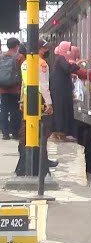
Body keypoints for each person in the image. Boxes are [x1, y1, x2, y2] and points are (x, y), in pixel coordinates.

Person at [15, 39, 56, 176]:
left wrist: (21, 100)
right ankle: (41, 164)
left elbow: (24, 84)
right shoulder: (42, 64)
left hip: (28, 102)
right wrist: (49, 103)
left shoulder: (25, 64)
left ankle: (25, 164)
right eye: (44, 48)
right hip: (39, 102)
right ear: (38, 49)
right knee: (41, 134)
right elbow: (43, 85)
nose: (46, 50)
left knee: (26, 132)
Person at [50, 41, 81, 142]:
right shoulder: (61, 58)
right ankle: (60, 132)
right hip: (60, 90)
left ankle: (61, 132)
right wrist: (78, 64)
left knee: (62, 109)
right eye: (68, 49)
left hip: (60, 89)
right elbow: (67, 68)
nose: (69, 52)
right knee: (61, 109)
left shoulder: (59, 59)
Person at [0, 37, 24, 140]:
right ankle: (15, 133)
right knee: (15, 111)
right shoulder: (19, 57)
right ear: (17, 46)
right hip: (15, 88)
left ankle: (5, 133)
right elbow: (23, 72)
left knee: (4, 110)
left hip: (2, 88)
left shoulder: (1, 57)